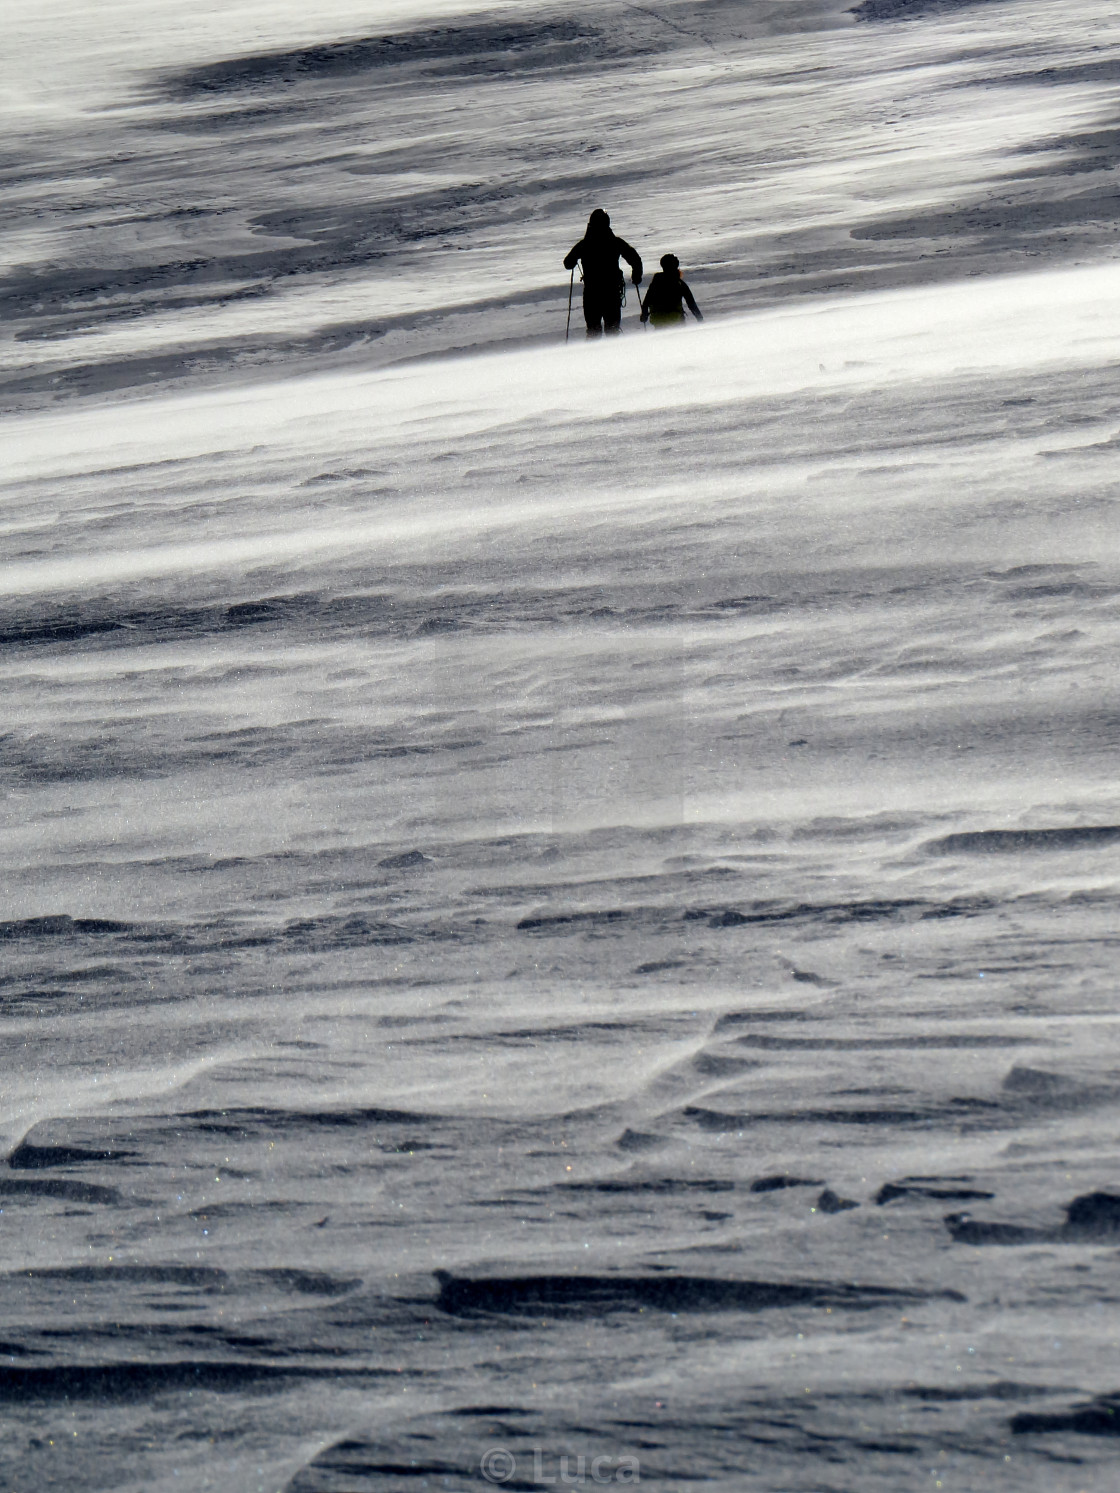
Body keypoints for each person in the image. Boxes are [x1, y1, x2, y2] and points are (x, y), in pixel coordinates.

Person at [563, 209, 643, 336]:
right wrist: (637, 275)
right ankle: (615, 353)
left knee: (593, 330)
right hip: (611, 291)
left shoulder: (585, 244)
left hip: (592, 293)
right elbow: (635, 258)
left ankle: (594, 354)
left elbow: (568, 263)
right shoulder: (615, 242)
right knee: (612, 328)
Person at [640, 254, 703, 327]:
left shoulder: (656, 282)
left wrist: (644, 315)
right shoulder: (679, 283)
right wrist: (700, 318)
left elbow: (646, 302)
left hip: (657, 319)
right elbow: (691, 304)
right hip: (676, 319)